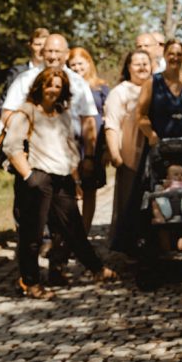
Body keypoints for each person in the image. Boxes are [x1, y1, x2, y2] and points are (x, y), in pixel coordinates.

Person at [4, 68, 117, 300]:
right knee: (32, 235)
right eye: (49, 85)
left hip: (62, 177)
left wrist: (75, 180)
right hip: (37, 177)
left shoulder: (62, 114)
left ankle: (96, 269)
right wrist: (29, 177)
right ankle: (30, 282)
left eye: (58, 86)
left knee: (73, 228)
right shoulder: (26, 112)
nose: (53, 90)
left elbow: (69, 149)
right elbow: (11, 147)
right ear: (40, 86)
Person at [103, 49, 153, 253]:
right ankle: (128, 248)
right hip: (131, 156)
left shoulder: (158, 87)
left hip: (155, 155)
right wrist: (115, 154)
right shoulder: (120, 92)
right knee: (128, 203)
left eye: (145, 63)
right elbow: (112, 125)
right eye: (137, 63)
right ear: (128, 67)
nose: (142, 67)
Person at [67, 46, 111, 232]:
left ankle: (84, 231)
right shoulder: (67, 85)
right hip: (72, 143)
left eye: (80, 63)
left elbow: (109, 117)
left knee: (90, 189)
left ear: (88, 63)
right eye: (73, 65)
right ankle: (70, 231)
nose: (77, 68)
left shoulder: (101, 87)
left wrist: (107, 148)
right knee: (70, 190)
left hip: (94, 143)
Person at [0, 27, 48, 114]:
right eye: (38, 44)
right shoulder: (17, 73)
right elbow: (3, 105)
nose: (41, 49)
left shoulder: (53, 73)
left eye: (44, 45)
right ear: (30, 45)